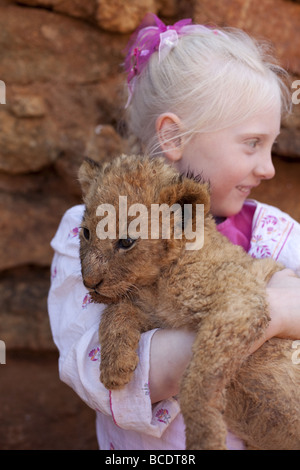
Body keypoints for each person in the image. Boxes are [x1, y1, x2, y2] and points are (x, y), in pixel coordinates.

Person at [48, 14, 300, 450]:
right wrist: (259, 318)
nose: (268, 167)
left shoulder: (274, 233)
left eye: (272, 145)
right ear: (174, 136)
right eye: (252, 143)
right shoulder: (89, 231)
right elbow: (90, 369)